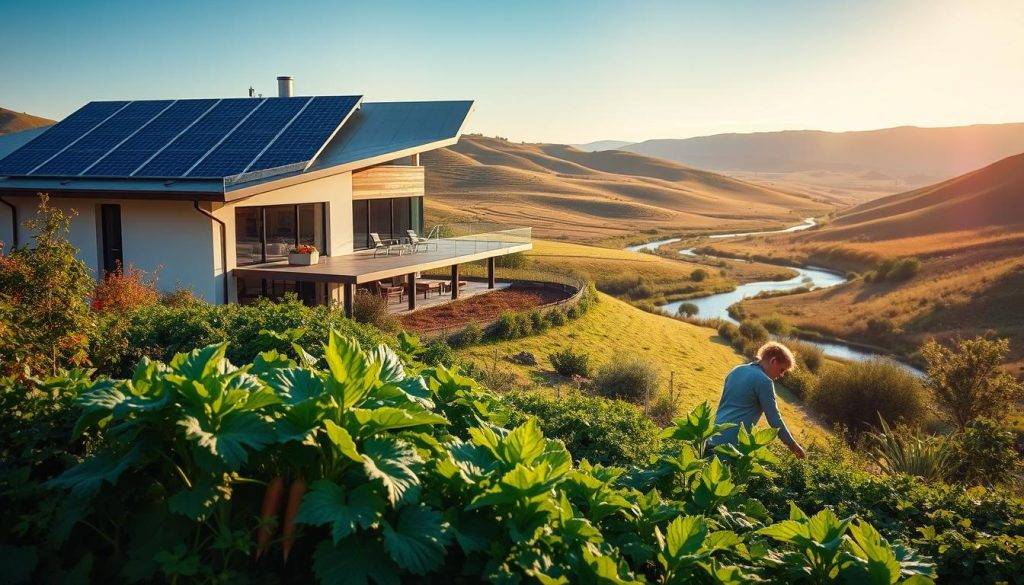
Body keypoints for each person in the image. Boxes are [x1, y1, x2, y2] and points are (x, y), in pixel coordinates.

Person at [710, 341, 806, 459]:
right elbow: (775, 420)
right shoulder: (764, 381)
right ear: (773, 361)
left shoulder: (736, 370)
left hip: (712, 435)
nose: (781, 375)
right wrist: (794, 446)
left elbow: (722, 405)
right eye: (781, 370)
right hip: (732, 445)